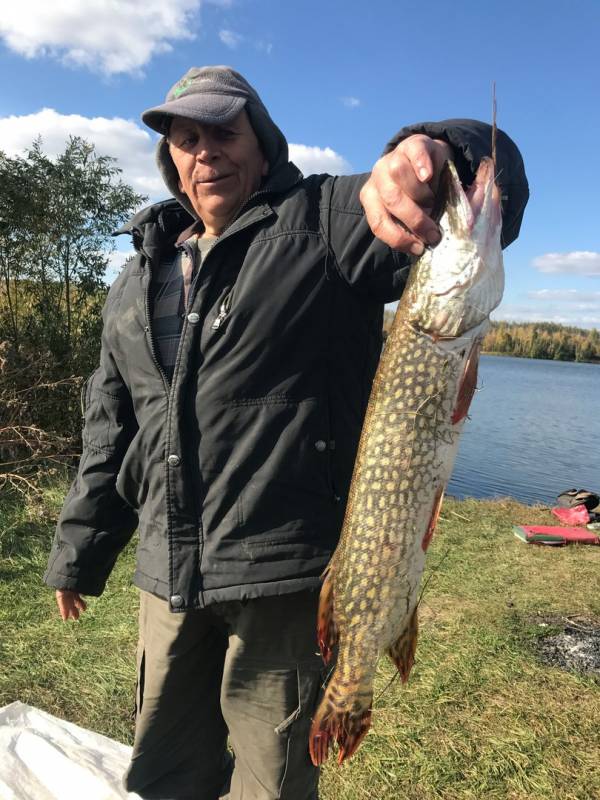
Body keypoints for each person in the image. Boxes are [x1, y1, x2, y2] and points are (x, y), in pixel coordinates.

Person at [44, 66, 528, 800]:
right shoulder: (137, 277)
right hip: (166, 578)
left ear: (262, 144)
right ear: (169, 157)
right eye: (186, 136)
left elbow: (424, 192)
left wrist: (433, 152)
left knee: (269, 786)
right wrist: (79, 551)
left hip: (282, 583)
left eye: (224, 132)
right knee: (165, 777)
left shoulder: (324, 221)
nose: (204, 151)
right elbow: (111, 425)